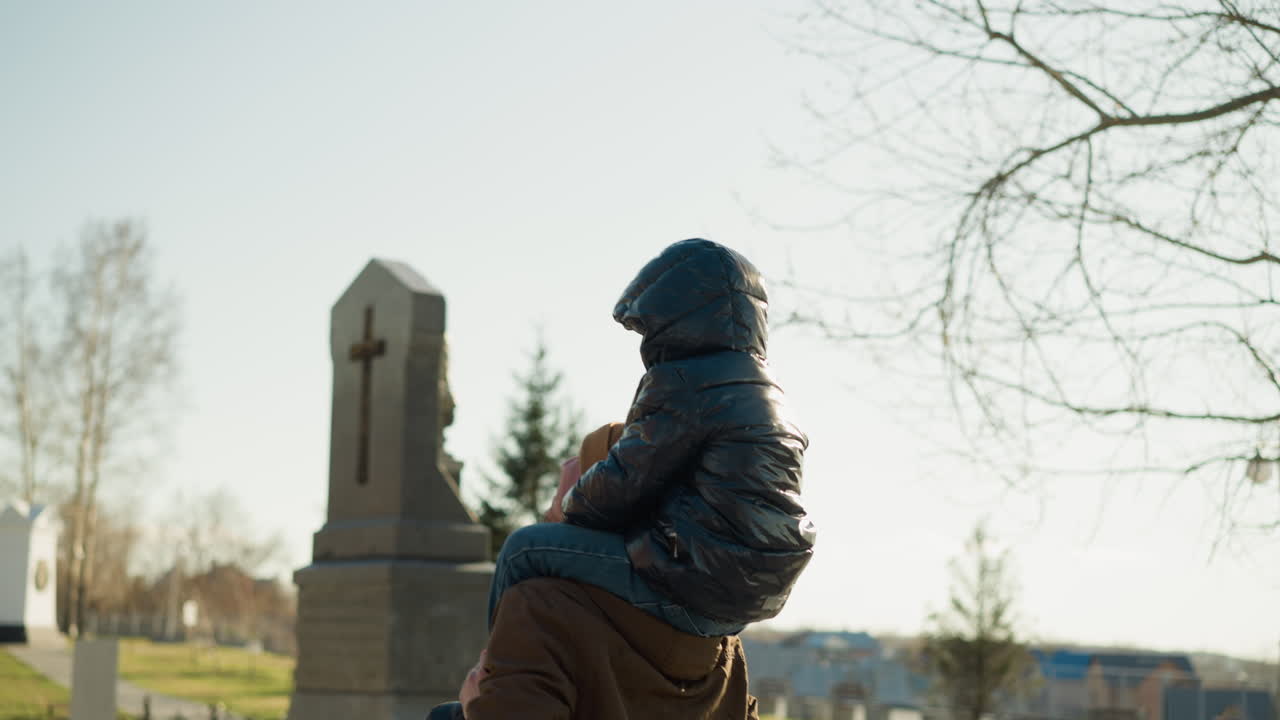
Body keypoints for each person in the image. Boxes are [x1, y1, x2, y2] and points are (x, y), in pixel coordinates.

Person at [487, 238, 816, 638]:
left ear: (676, 317)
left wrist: (567, 503)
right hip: (754, 595)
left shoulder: (685, 382)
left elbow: (619, 486)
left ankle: (493, 681)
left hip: (695, 581)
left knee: (525, 549)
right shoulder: (770, 392)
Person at [427, 421, 762, 720]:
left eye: (565, 492)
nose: (549, 508)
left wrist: (477, 709)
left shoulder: (542, 606)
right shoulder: (720, 642)